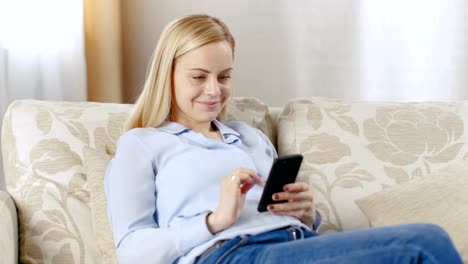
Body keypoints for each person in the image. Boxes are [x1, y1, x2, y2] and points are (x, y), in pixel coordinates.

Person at [104, 14, 463, 264]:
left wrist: (306, 216)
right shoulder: (143, 144)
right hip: (233, 254)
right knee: (425, 242)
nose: (214, 90)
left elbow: (280, 217)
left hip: (297, 244)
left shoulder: (249, 137)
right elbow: (133, 252)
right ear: (166, 75)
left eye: (224, 76)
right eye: (198, 77)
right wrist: (215, 219)